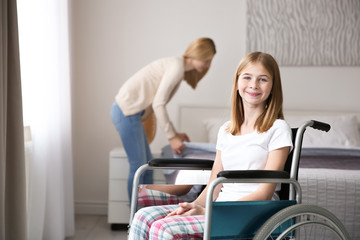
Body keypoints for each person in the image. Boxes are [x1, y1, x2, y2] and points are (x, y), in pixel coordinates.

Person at [128, 51, 293, 239]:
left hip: (249, 213)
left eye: (263, 79)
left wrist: (211, 212)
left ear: (273, 86)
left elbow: (264, 193)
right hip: (219, 209)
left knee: (165, 229)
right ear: (237, 82)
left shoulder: (278, 128)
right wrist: (197, 206)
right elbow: (214, 184)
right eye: (247, 77)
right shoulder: (226, 130)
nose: (253, 85)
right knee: (143, 216)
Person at [111, 38, 216, 200]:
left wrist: (175, 133)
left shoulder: (178, 68)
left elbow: (156, 103)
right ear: (198, 54)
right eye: (207, 60)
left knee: (146, 166)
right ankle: (133, 216)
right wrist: (171, 137)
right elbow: (158, 103)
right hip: (126, 112)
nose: (208, 65)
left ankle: (145, 208)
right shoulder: (176, 67)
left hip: (130, 114)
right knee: (138, 166)